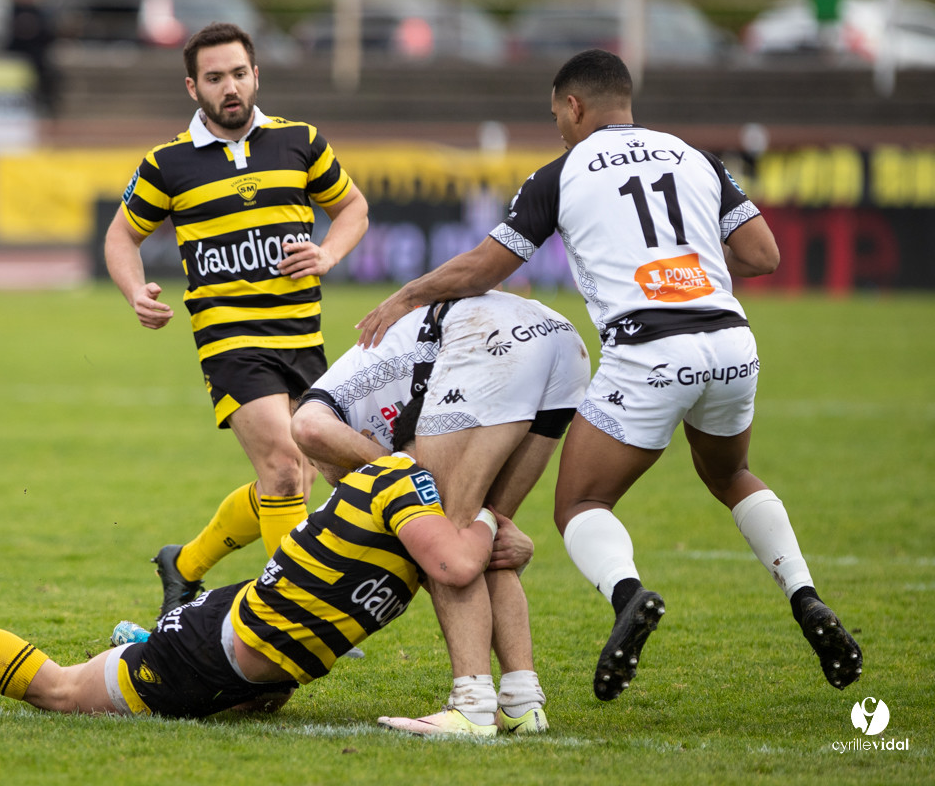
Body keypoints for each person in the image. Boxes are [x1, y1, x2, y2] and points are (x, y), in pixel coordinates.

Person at [356, 49, 862, 702]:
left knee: (580, 505)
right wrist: (687, 268)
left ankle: (628, 595)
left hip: (649, 350)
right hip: (731, 343)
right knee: (729, 474)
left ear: (574, 107)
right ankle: (805, 596)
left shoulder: (561, 173)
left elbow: (484, 268)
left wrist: (406, 295)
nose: (558, 128)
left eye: (556, 116)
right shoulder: (694, 157)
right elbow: (763, 255)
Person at [0, 400, 521, 731]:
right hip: (213, 647)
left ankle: (141, 643)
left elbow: (462, 555)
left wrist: (486, 531)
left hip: (241, 637)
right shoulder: (405, 483)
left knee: (256, 705)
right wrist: (491, 523)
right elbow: (459, 566)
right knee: (62, 694)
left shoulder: (405, 490)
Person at [104, 22, 369, 619]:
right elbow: (122, 235)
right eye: (215, 77)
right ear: (192, 86)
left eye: (239, 73)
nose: (230, 87)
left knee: (295, 480)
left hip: (302, 338)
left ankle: (186, 564)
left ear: (257, 74)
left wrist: (327, 253)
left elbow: (352, 206)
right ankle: (292, 610)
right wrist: (134, 291)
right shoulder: (167, 163)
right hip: (229, 340)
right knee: (282, 463)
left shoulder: (300, 141)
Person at [291, 290, 590, 734]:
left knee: (444, 539)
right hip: (563, 343)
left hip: (492, 336)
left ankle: (471, 705)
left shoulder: (332, 406)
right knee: (478, 536)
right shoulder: (375, 397)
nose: (338, 483)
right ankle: (523, 702)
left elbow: (306, 426)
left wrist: (396, 477)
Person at [6, 0, 58, 117]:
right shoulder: (9, 10)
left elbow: (49, 35)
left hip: (36, 56)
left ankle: (45, 104)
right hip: (13, 55)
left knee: (50, 75)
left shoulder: (42, 11)